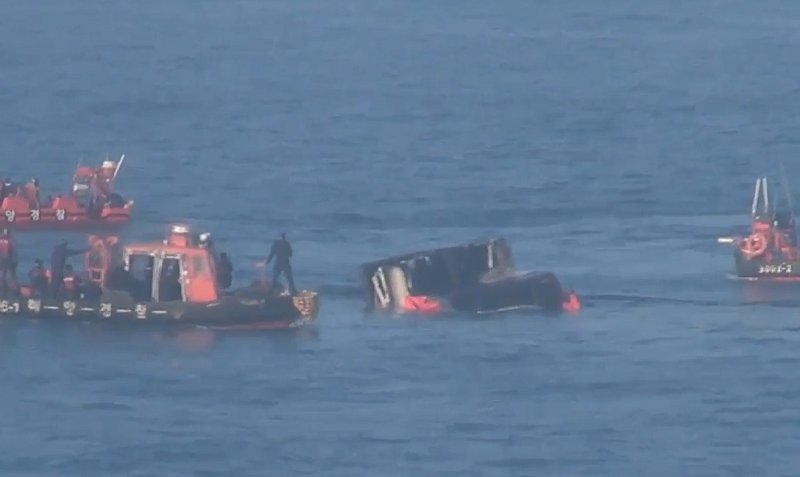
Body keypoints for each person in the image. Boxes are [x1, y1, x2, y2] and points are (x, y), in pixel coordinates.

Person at [0, 228, 16, 297]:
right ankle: (10, 290)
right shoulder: (10, 241)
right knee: (9, 275)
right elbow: (11, 251)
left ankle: (4, 290)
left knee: (3, 275)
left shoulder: (5, 241)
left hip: (3, 259)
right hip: (7, 259)